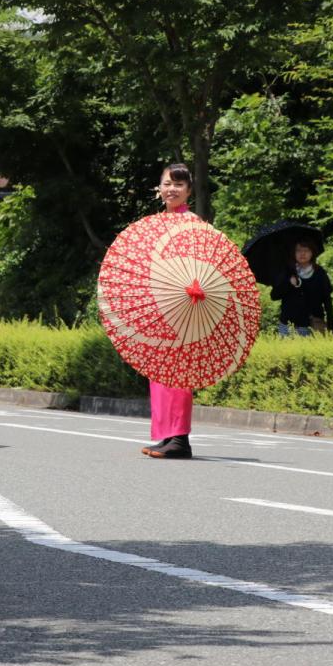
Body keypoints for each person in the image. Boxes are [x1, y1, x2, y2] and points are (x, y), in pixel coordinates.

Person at [142, 163, 197, 459]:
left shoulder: (191, 223)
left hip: (181, 309)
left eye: (178, 184)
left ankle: (180, 439)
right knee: (159, 372)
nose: (171, 189)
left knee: (178, 373)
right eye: (167, 183)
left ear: (188, 190)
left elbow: (196, 266)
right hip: (158, 306)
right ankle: (166, 435)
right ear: (158, 188)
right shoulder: (154, 223)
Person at [271, 241, 333, 337]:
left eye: (306, 250)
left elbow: (327, 299)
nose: (302, 254)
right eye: (298, 250)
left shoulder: (319, 273)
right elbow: (274, 295)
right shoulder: (288, 271)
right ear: (294, 253)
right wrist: (289, 283)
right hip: (287, 324)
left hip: (312, 324)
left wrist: (331, 323)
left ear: (312, 253)